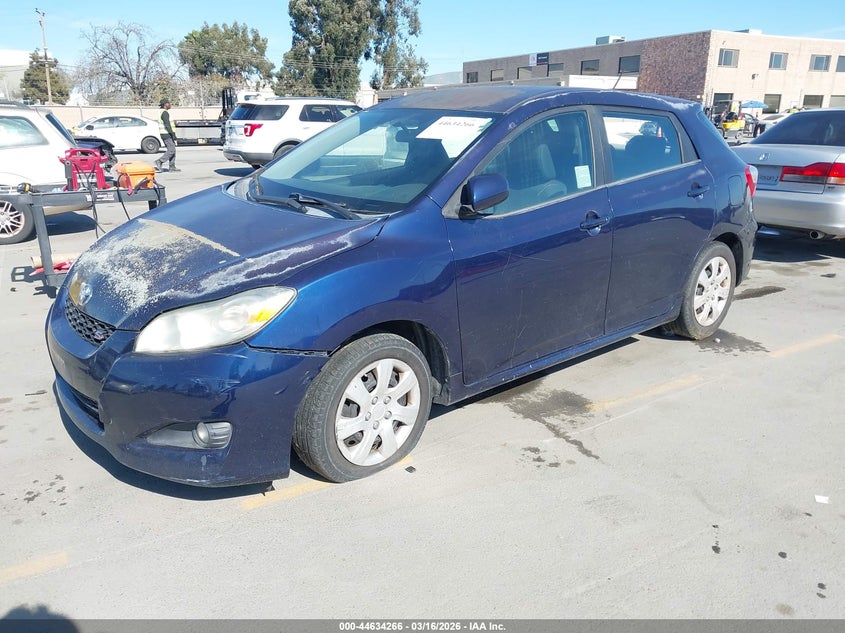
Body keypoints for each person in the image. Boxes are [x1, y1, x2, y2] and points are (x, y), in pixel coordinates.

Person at [154, 98, 179, 173]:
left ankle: (172, 167)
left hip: (165, 133)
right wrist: (172, 134)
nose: (170, 105)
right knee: (171, 150)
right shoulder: (164, 113)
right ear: (165, 105)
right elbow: (167, 125)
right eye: (169, 103)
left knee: (173, 150)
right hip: (167, 134)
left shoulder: (162, 112)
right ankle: (160, 161)